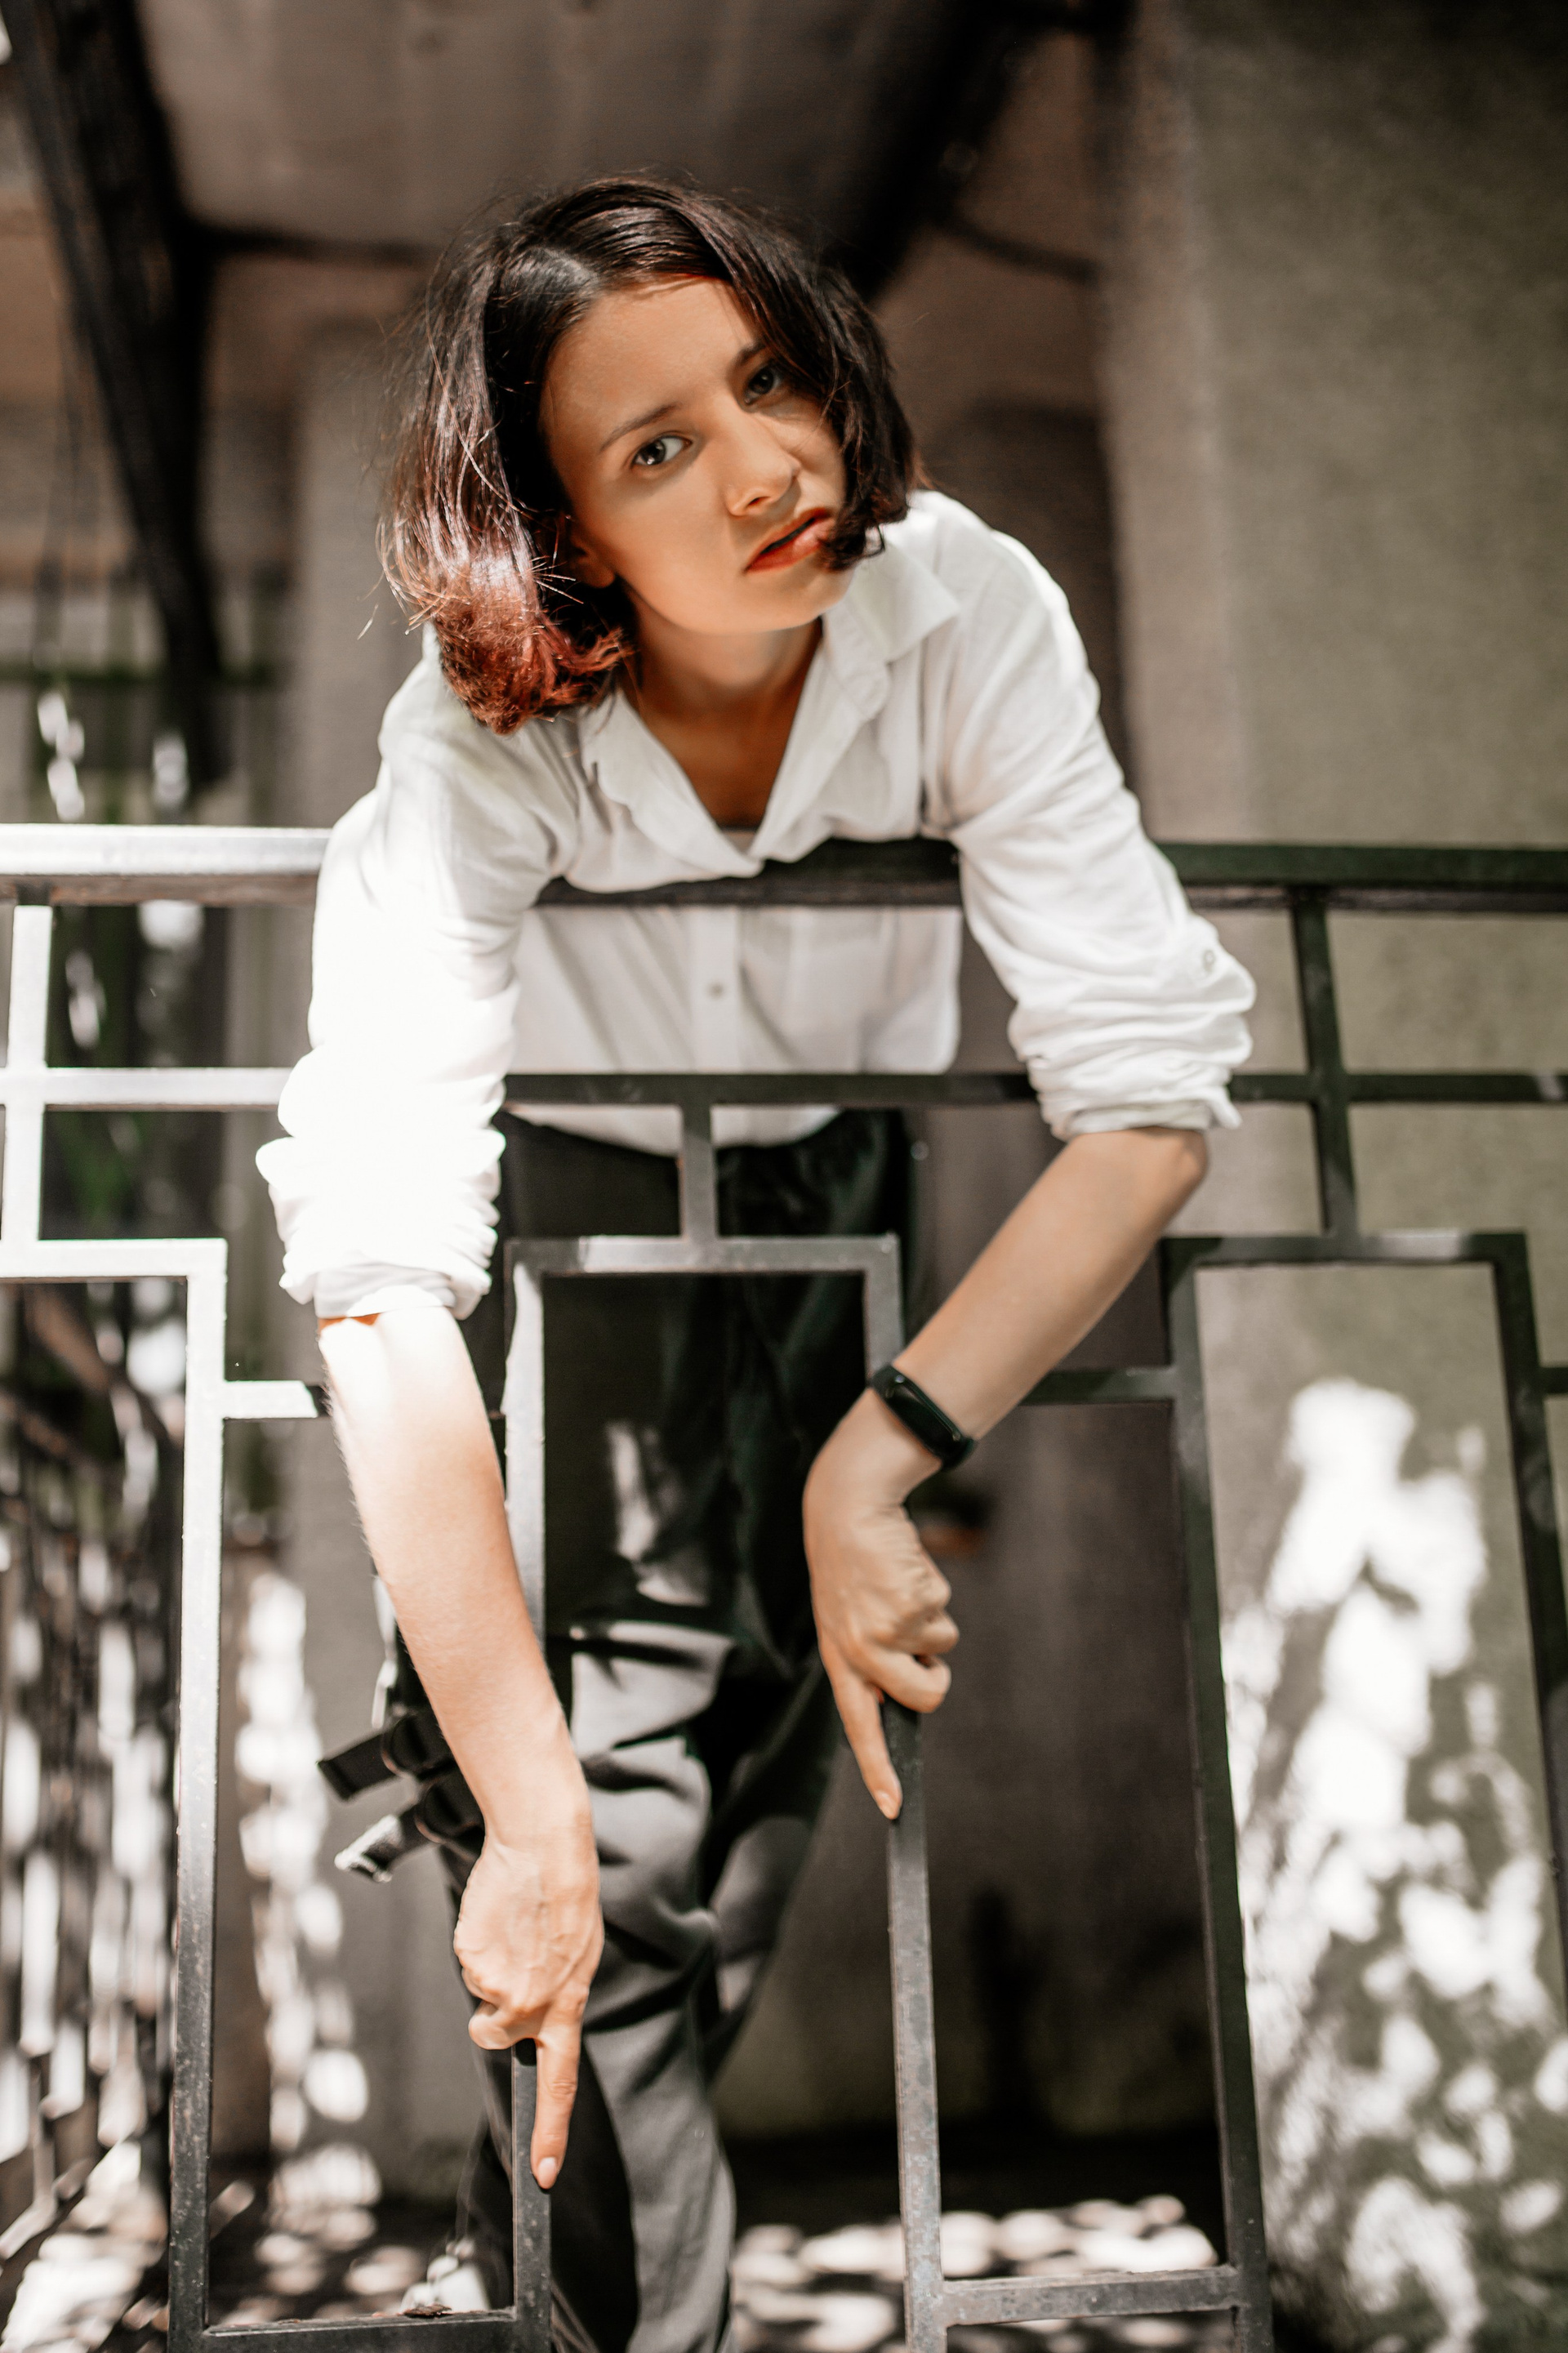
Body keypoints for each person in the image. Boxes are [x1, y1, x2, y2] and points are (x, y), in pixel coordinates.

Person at [259, 176, 1254, 2353]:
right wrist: (524, 1800)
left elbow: (1150, 1094)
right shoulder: (476, 730)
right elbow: (377, 1266)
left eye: (771, 380)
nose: (768, 467)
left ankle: (532, 2279)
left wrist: (875, 1456)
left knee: (755, 1812)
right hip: (574, 1222)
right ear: (564, 533)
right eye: (658, 448)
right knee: (599, 1844)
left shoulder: (962, 604)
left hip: (842, 1205)